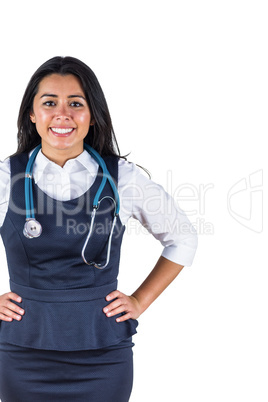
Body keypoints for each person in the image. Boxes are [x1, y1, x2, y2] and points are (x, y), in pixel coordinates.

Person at [0, 56, 197, 402]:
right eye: (49, 103)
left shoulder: (122, 178)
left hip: (103, 353)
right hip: (23, 350)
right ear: (32, 114)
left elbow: (183, 237)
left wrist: (139, 301)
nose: (63, 114)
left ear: (92, 115)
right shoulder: (6, 177)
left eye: (76, 103)